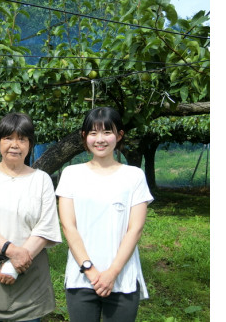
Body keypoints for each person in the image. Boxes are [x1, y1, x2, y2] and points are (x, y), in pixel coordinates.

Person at [55, 106, 154, 322]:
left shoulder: (134, 176)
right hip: (81, 279)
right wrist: (89, 269)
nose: (100, 139)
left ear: (119, 135)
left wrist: (112, 273)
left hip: (123, 279)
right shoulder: (71, 174)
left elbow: (135, 229)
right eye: (93, 133)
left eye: (107, 132)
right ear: (84, 137)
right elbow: (68, 226)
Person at [0, 112, 62, 322]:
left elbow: (45, 227)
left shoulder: (41, 180)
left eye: (22, 139)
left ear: (30, 144)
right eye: (8, 138)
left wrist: (17, 262)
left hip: (29, 270)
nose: (15, 145)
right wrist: (12, 251)